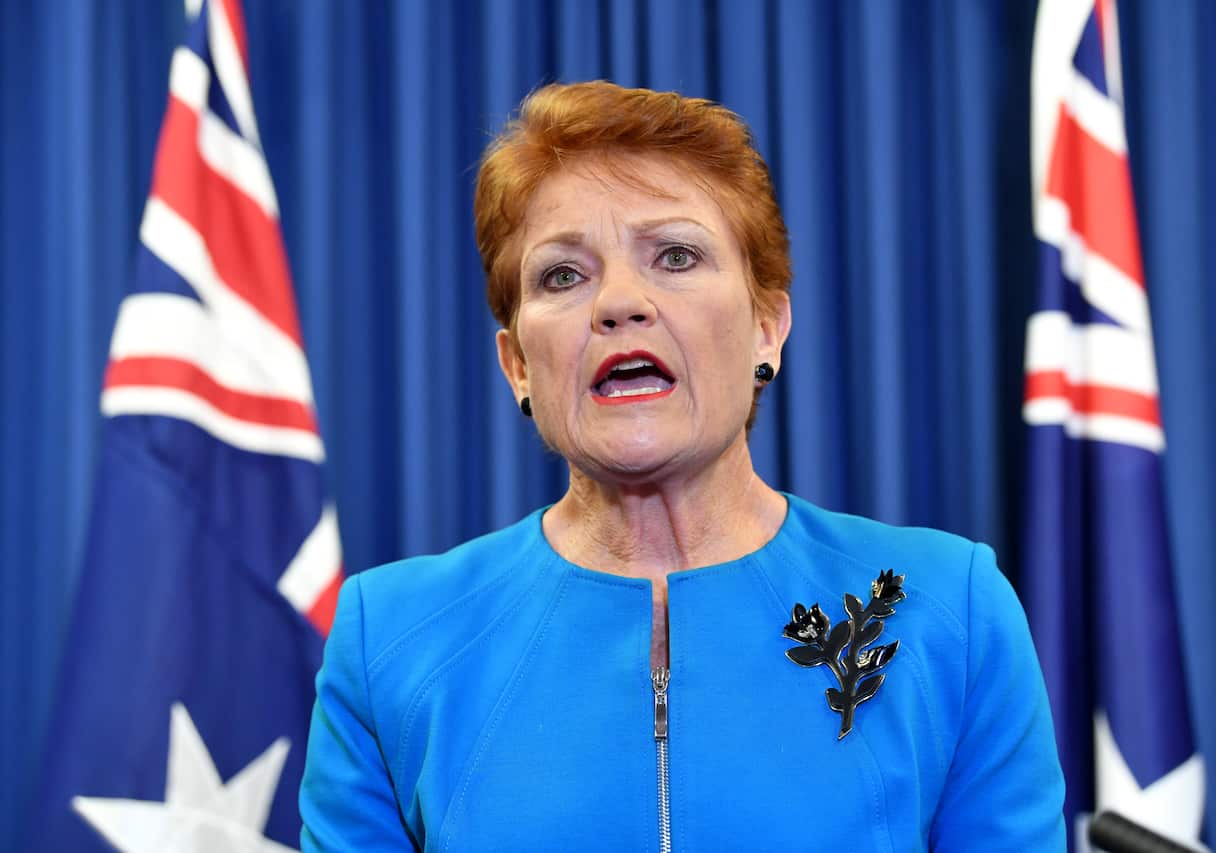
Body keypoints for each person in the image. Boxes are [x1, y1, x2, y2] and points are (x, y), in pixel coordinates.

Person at [299, 81, 1065, 851]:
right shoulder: (390, 638)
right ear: (517, 364)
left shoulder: (950, 612)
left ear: (767, 327)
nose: (620, 302)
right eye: (564, 274)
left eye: (675, 255)